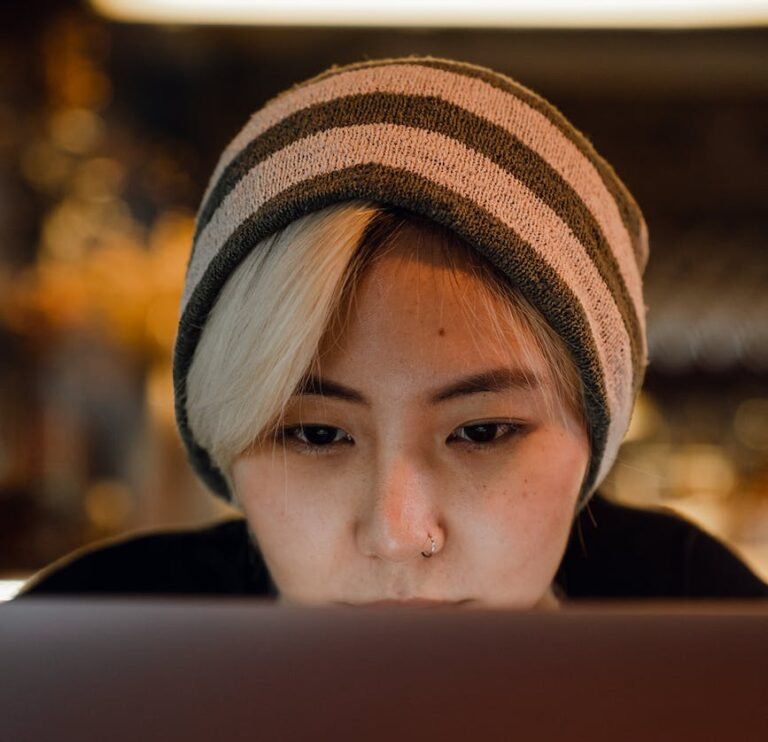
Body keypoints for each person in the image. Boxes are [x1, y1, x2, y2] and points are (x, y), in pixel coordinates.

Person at [21, 56, 766, 603]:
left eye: (482, 433)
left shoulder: (710, 630)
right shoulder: (69, 666)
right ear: (223, 439)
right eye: (316, 434)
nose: (397, 535)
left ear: (597, 436)